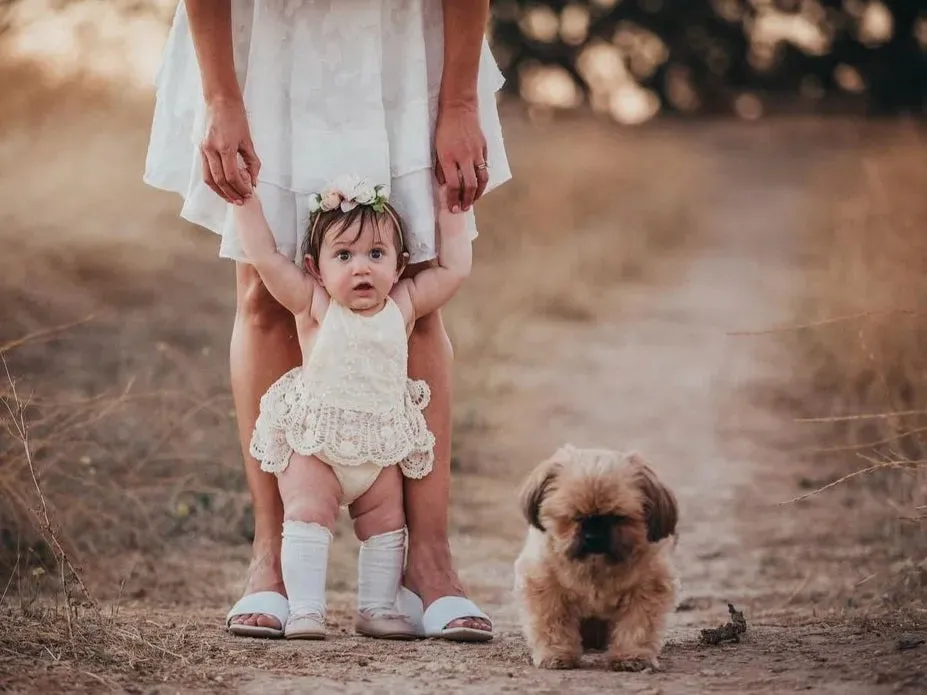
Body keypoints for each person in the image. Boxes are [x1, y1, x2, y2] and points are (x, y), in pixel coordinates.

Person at [143, 0, 510, 641]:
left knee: (419, 288)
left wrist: (457, 103)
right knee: (262, 294)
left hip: (400, 36)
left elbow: (449, 273)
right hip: (270, 39)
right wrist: (222, 98)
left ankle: (428, 563)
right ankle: (271, 561)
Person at [234, 173, 471, 640]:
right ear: (315, 267)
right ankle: (304, 608)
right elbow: (264, 257)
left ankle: (377, 607)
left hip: (379, 449)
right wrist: (245, 201)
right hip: (316, 445)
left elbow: (453, 271)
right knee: (306, 511)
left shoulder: (403, 305)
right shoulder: (314, 305)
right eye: (344, 256)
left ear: (400, 265)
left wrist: (452, 211)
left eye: (376, 255)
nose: (361, 268)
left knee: (386, 523)